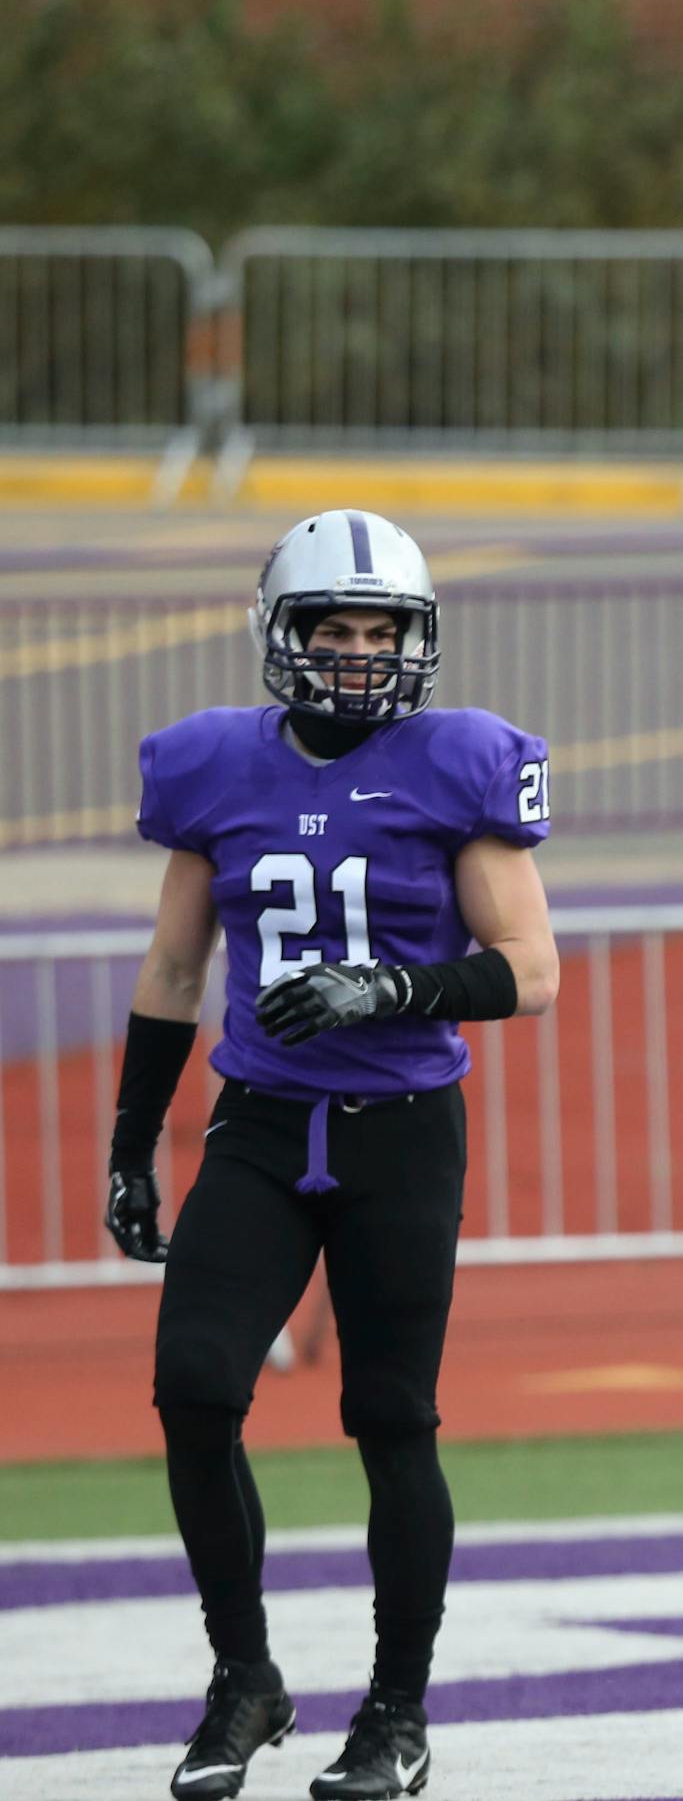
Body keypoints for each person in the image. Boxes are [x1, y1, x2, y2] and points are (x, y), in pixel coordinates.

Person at [105, 510, 559, 1800]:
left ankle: (396, 1713)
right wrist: (134, 1141)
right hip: (257, 1118)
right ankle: (243, 1677)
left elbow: (533, 972)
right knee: (195, 1384)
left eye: (380, 632)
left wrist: (390, 990)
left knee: (390, 1418)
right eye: (332, 629)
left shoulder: (457, 762)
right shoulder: (213, 766)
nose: (358, 656)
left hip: (400, 1131)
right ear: (283, 634)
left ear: (414, 642)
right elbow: (176, 966)